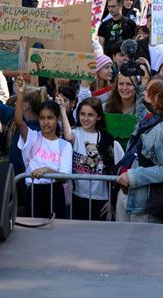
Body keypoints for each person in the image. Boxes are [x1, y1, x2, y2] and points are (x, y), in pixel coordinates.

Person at [115, 77, 163, 223]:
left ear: (157, 98)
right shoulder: (149, 117)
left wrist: (133, 176)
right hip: (128, 194)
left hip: (143, 203)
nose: (143, 92)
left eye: (148, 90)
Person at [13, 76, 72, 219]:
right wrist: (21, 94)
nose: (46, 122)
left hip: (55, 193)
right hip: (33, 192)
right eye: (42, 118)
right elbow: (19, 121)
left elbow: (64, 176)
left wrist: (47, 170)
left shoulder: (65, 146)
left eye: (50, 118)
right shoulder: (32, 137)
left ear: (57, 119)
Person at [65, 96, 115, 221]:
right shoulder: (75, 133)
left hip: (100, 198)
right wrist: (62, 109)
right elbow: (68, 137)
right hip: (77, 196)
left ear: (98, 117)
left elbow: (113, 170)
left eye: (90, 115)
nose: (85, 118)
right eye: (82, 114)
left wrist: (112, 200)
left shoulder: (106, 138)